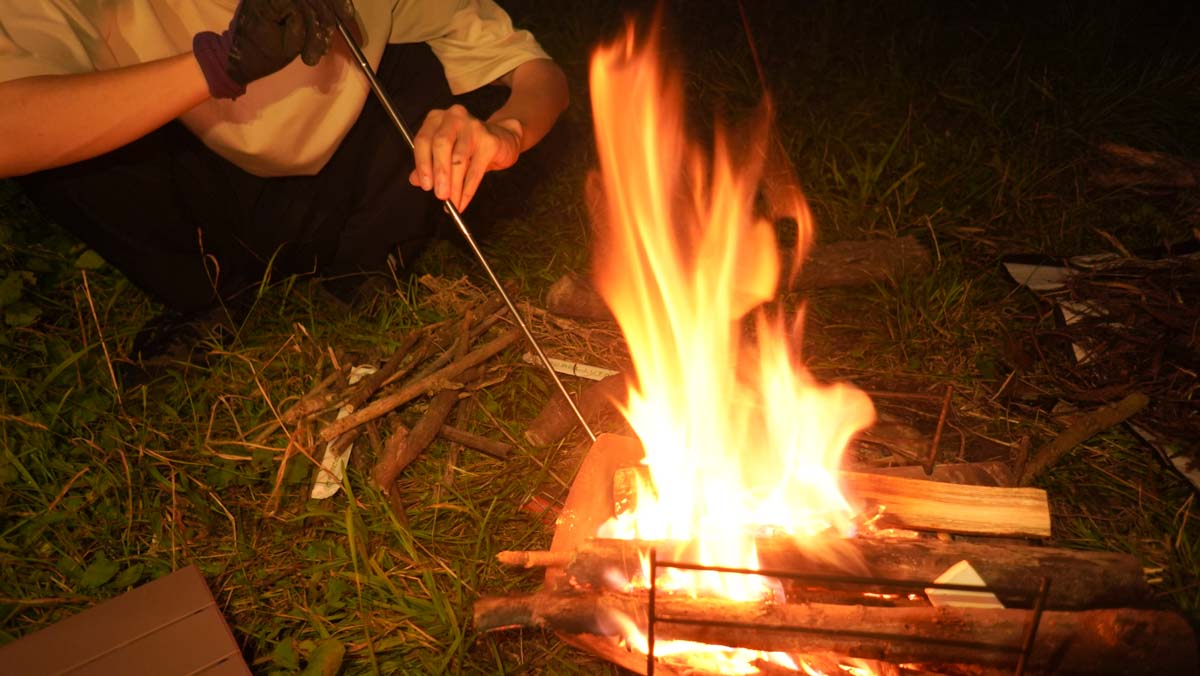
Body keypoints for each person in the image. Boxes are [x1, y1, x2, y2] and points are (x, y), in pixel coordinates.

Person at [0, 0, 568, 364]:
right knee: (61, 129)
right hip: (196, 196)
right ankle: (206, 294)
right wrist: (217, 66)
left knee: (434, 68)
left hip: (345, 192)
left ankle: (367, 267)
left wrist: (507, 133)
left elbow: (533, 71)